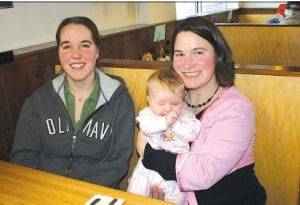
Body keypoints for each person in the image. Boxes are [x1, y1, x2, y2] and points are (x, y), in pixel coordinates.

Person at [137, 16, 267, 205]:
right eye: (180, 54)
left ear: (218, 55)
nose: (187, 64)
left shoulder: (237, 109)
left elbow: (200, 174)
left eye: (198, 53)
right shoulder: (172, 101)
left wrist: (148, 153)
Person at [10, 16, 135, 189]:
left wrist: (77, 194)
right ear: (59, 53)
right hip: (44, 191)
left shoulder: (120, 100)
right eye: (67, 46)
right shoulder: (38, 102)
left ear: (97, 51)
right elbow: (23, 157)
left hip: (94, 194)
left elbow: (117, 162)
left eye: (85, 45)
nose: (76, 54)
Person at [127, 69, 201, 204]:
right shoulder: (147, 114)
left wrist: (175, 124)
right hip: (147, 170)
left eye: (175, 104)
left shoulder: (186, 116)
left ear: (182, 99)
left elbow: (193, 133)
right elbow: (146, 128)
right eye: (161, 104)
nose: (168, 109)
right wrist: (164, 122)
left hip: (174, 176)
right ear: (149, 100)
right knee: (134, 198)